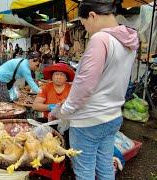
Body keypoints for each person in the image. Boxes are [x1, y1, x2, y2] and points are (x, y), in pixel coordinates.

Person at [50, 1, 139, 179]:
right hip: (113, 116)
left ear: (92, 15)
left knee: (84, 171)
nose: (86, 30)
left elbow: (85, 85)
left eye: (84, 24)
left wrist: (63, 111)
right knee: (105, 166)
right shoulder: (129, 41)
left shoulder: (100, 39)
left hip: (88, 121)